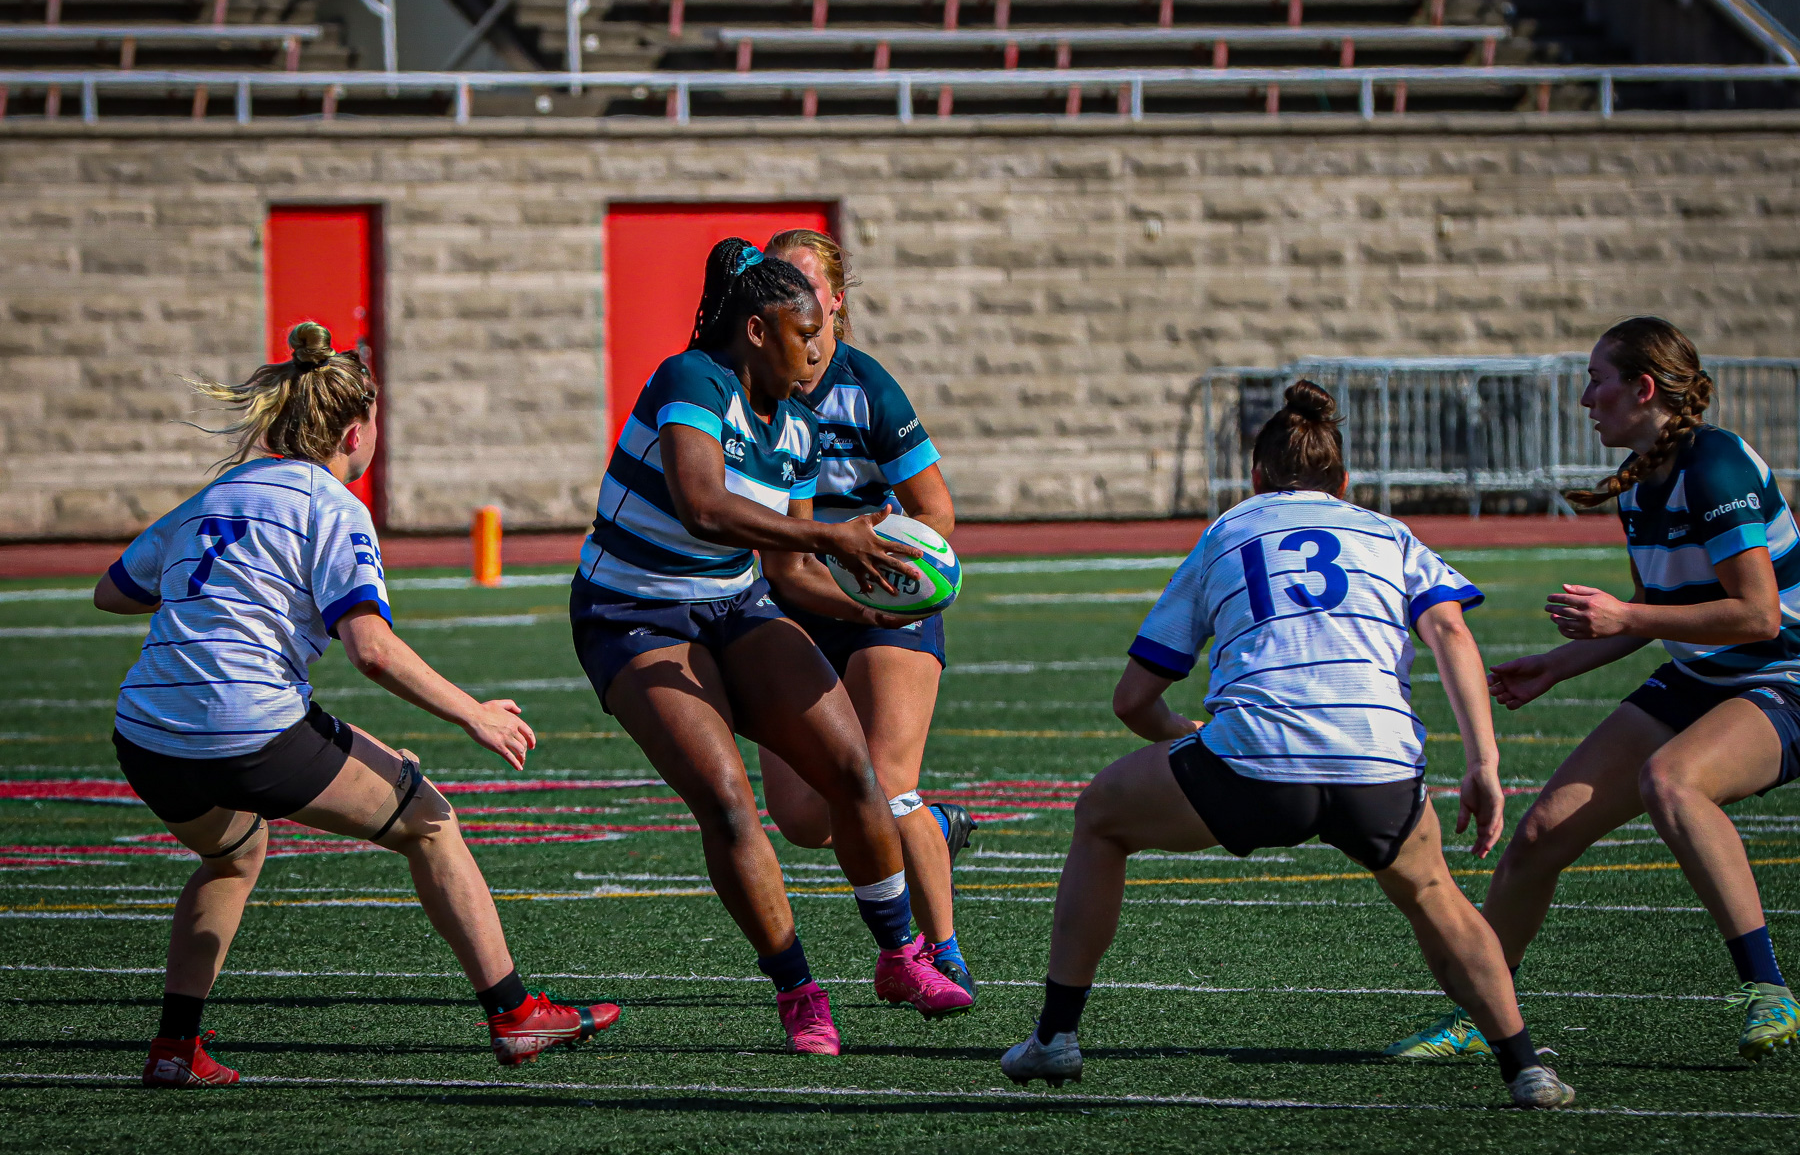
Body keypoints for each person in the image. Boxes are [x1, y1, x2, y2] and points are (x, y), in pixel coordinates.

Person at [998, 381, 1575, 1109]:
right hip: (1378, 763)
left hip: (1252, 759)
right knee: (1435, 895)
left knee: (1101, 817)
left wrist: (1185, 737)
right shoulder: (1388, 534)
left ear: (1255, 478)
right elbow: (1452, 630)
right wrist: (1484, 765)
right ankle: (1524, 1066)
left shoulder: (1227, 533)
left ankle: (1054, 1038)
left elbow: (1133, 699)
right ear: (1344, 483)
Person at [97, 322, 617, 1089]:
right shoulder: (331, 505)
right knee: (430, 819)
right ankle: (515, 1016)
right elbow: (370, 648)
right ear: (354, 429)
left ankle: (176, 1048)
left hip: (144, 734)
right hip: (248, 730)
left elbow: (112, 590)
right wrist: (471, 711)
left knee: (232, 854)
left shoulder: (215, 495)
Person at [568, 238, 973, 1057]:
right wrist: (834, 537)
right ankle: (799, 991)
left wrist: (871, 611)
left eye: (823, 333)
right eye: (803, 334)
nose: (818, 350)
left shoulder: (795, 421)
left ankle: (900, 957)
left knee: (854, 768)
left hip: (732, 604)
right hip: (632, 614)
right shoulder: (691, 380)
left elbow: (783, 566)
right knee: (726, 798)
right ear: (757, 330)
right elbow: (702, 506)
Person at [1386, 317, 1800, 1063]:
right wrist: (1558, 665)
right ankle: (1483, 1013)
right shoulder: (1643, 482)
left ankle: (1768, 990)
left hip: (1783, 679)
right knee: (1540, 835)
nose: (1585, 399)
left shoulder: (1716, 466)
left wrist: (1626, 613)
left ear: (1642, 389)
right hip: (1701, 676)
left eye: (1596, 380)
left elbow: (1758, 615)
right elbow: (1663, 612)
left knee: (1671, 783)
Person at [752, 228, 978, 1002]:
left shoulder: (867, 386)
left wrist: (886, 567)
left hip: (880, 594)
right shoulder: (744, 389)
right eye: (776, 283)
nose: (792, 299)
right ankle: (939, 832)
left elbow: (937, 511)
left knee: (884, 786)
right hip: (796, 597)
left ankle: (938, 949)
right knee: (806, 820)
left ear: (836, 305)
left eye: (806, 286)